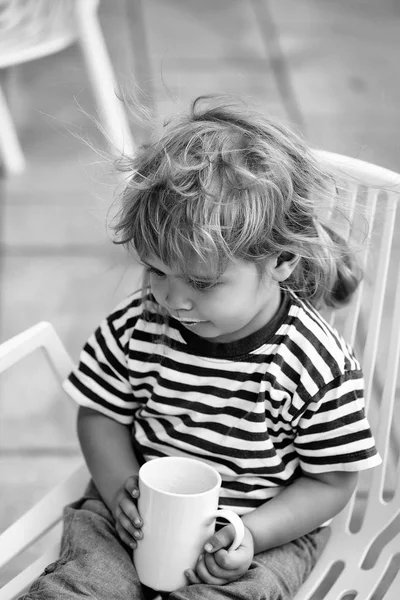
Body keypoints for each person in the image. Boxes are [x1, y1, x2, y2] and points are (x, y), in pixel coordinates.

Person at [21, 96, 381, 600]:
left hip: (260, 529)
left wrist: (252, 533)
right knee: (80, 585)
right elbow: (101, 416)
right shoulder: (138, 326)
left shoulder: (314, 364)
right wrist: (121, 487)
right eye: (157, 271)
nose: (172, 298)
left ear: (278, 260)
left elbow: (331, 483)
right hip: (136, 516)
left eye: (201, 282)